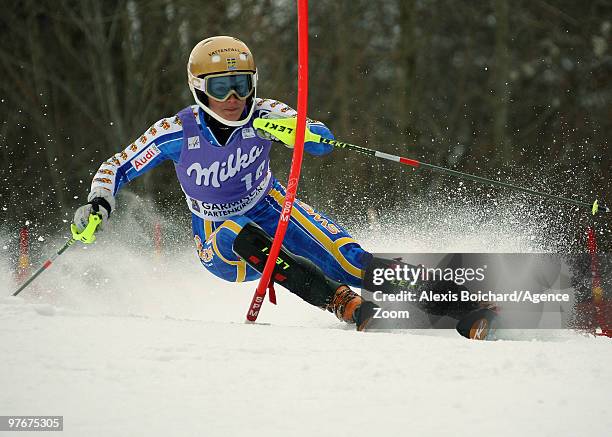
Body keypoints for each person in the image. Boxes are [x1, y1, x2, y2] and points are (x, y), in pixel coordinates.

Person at [72, 35, 491, 336]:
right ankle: (338, 301)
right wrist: (97, 204)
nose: (234, 96)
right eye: (221, 86)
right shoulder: (177, 132)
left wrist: (296, 132)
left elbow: (320, 138)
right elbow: (117, 165)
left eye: (242, 83)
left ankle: (457, 305)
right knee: (240, 235)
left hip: (271, 204)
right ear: (200, 87)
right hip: (216, 236)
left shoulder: (266, 113)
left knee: (349, 259)